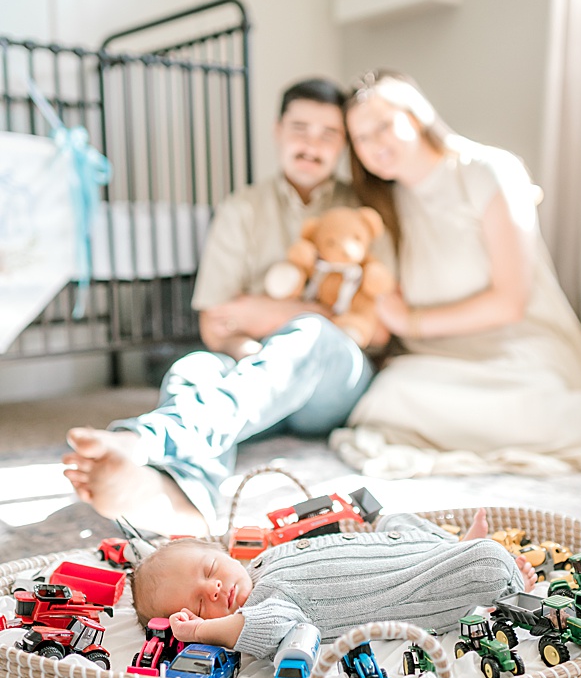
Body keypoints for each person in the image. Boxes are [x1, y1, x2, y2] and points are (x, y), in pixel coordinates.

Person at [62, 79, 391, 536]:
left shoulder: (364, 209)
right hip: (256, 368)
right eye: (300, 128)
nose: (311, 144)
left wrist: (269, 312)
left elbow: (377, 329)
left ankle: (146, 437)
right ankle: (183, 501)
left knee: (311, 333)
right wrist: (255, 343)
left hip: (332, 380)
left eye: (328, 133)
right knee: (194, 364)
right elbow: (216, 321)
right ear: (278, 130)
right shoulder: (243, 208)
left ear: (344, 143)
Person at [334, 72, 581, 472]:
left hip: (519, 350)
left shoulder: (487, 170)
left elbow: (510, 303)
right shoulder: (383, 204)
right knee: (389, 394)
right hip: (441, 363)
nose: (375, 146)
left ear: (417, 116)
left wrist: (413, 322)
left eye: (383, 126)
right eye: (361, 138)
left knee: (556, 409)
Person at [132, 509, 533, 661]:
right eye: (201, 604)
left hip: (399, 549)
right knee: (490, 561)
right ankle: (508, 582)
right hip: (414, 587)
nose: (215, 589)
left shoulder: (261, 561)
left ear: (222, 552)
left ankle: (454, 546)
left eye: (210, 569)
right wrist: (200, 630)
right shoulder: (266, 606)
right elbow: (260, 631)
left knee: (396, 519)